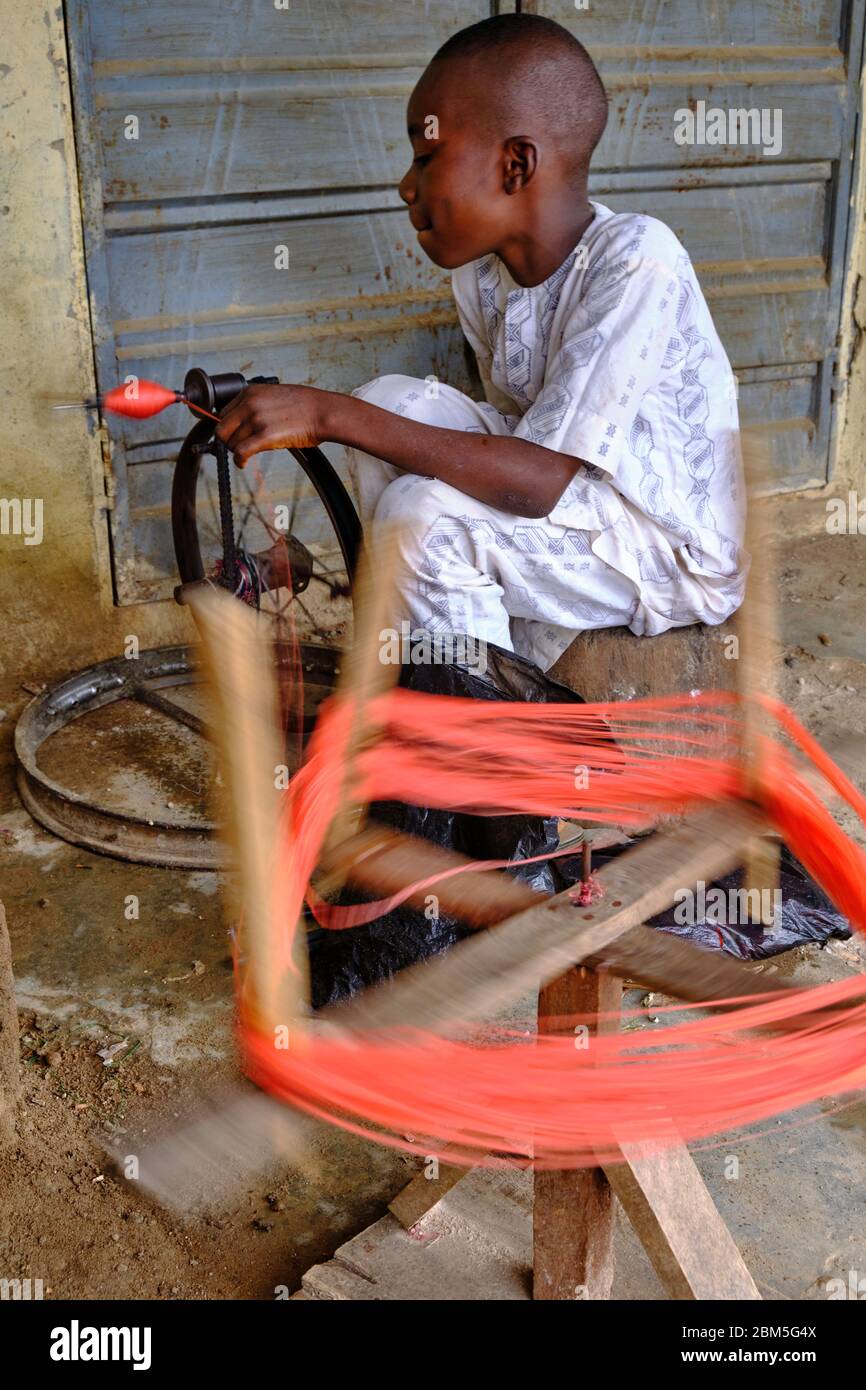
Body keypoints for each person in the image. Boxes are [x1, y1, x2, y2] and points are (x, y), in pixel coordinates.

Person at [216, 12, 746, 673]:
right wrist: (353, 415)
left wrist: (328, 415)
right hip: (572, 506)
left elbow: (538, 485)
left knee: (421, 511)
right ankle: (430, 663)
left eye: (426, 155)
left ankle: (489, 738)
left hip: (666, 549)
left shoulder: (638, 258)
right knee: (389, 402)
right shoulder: (484, 277)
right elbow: (513, 450)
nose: (406, 185)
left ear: (515, 164)